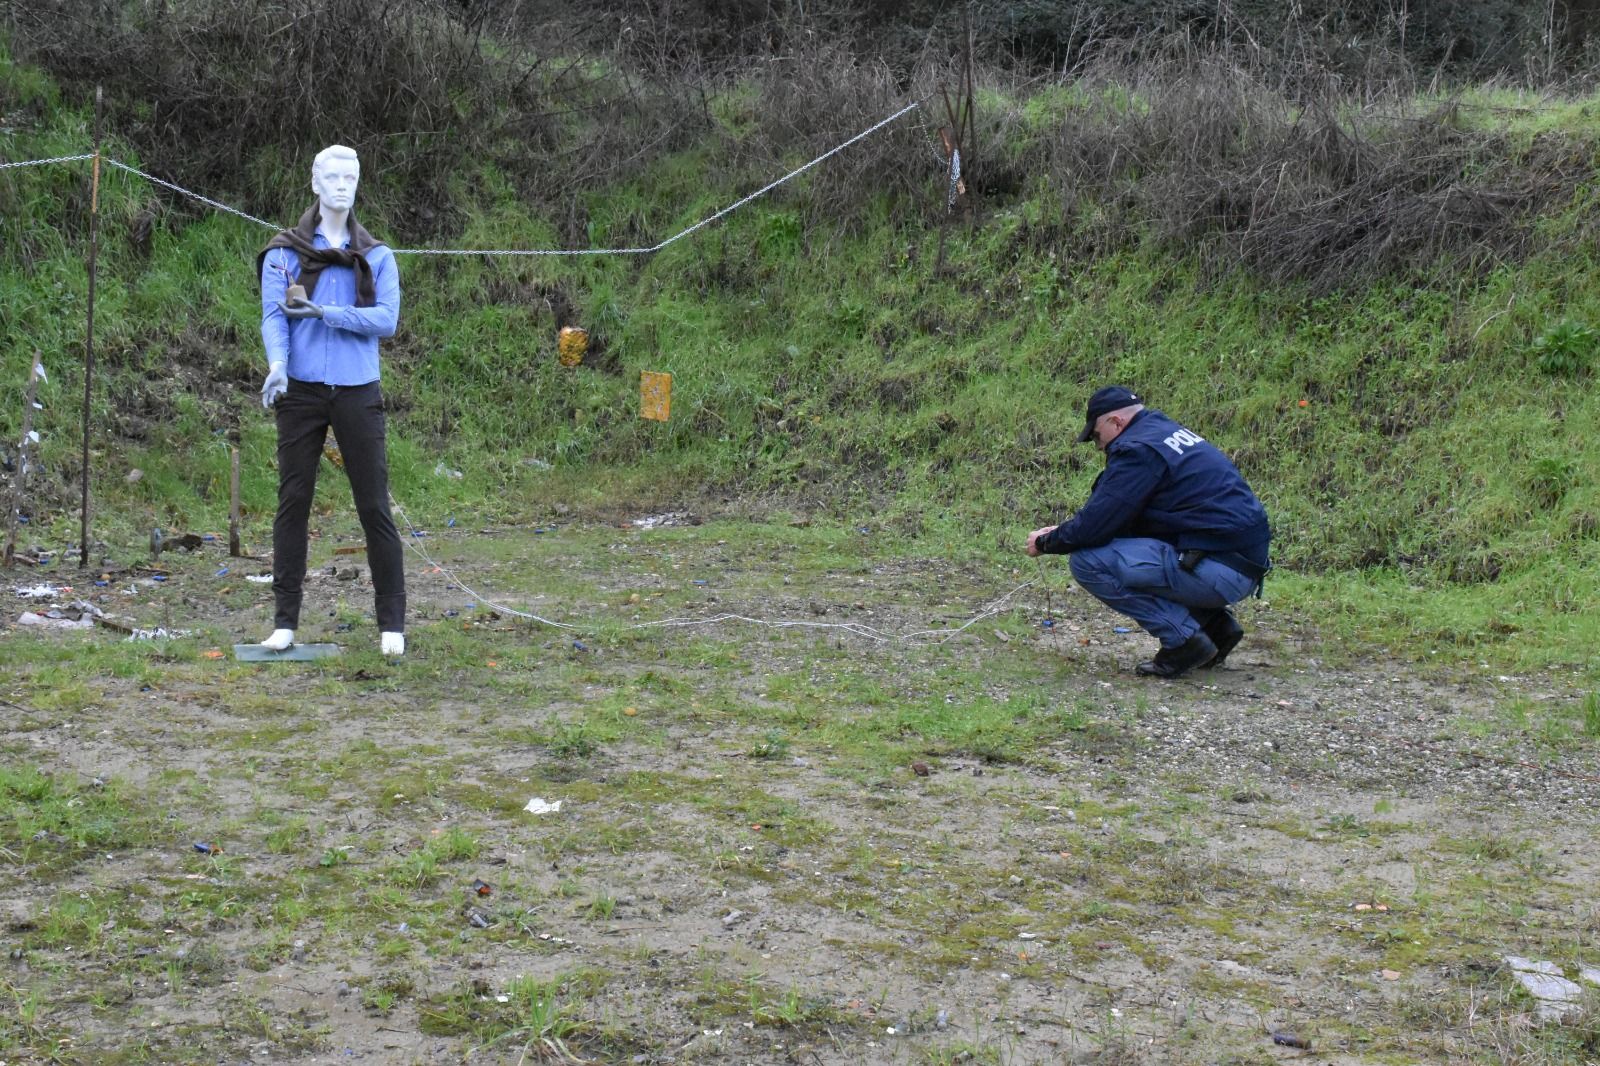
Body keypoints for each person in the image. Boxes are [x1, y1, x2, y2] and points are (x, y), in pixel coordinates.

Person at [257, 144, 406, 657]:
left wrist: (327, 313)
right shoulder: (284, 252)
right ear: (315, 184)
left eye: (351, 177)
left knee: (373, 505)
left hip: (357, 389)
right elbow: (274, 317)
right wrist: (277, 363)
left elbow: (386, 320)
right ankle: (284, 622)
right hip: (299, 390)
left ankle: (392, 624)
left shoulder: (377, 256)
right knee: (292, 502)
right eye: (333, 177)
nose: (343, 185)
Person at [1025, 386, 1270, 678]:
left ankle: (1184, 641)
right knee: (1123, 549)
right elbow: (1119, 517)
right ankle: (1215, 629)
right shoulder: (1162, 431)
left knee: (1088, 561)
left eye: (1096, 435)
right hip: (1241, 564)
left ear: (1115, 422)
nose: (1098, 446)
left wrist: (1045, 542)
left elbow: (1095, 527)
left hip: (1221, 570)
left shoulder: (1137, 451)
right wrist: (1069, 530)